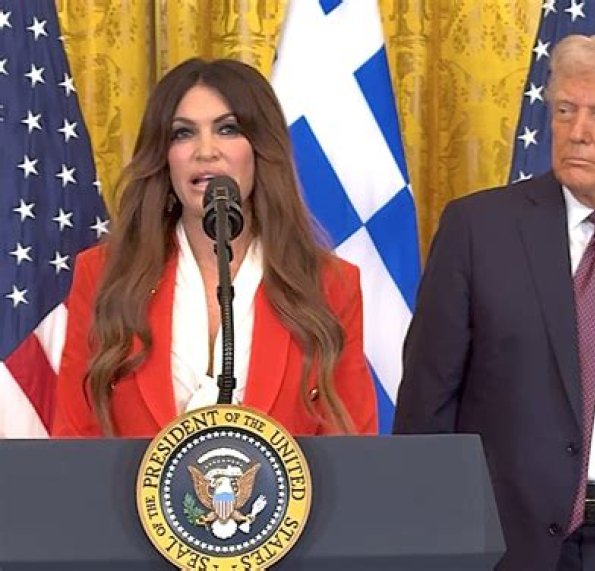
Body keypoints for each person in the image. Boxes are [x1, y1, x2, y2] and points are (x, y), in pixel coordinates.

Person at [394, 34, 595, 571]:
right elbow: (426, 405)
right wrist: (428, 546)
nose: (577, 132)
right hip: (503, 542)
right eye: (565, 111)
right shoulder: (479, 230)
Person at [52, 58, 378, 438]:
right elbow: (74, 440)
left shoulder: (329, 284)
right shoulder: (104, 274)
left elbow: (352, 450)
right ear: (164, 157)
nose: (205, 150)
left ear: (260, 149)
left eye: (227, 129)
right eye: (183, 134)